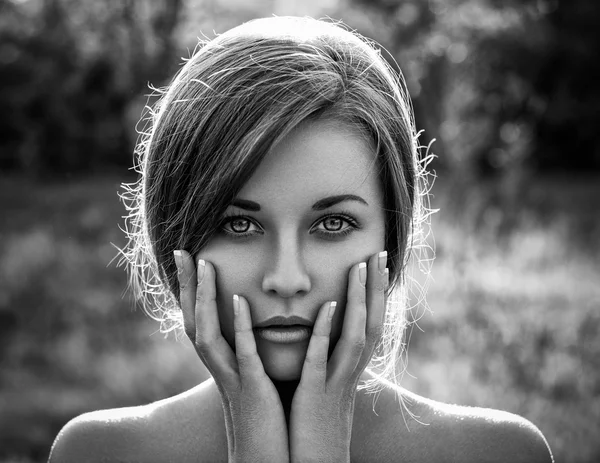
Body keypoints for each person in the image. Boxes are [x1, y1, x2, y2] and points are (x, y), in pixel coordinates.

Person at [48, 16, 553, 463]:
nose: (286, 280)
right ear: (173, 238)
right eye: (238, 225)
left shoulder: (499, 452)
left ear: (391, 241)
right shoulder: (99, 452)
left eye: (332, 225)